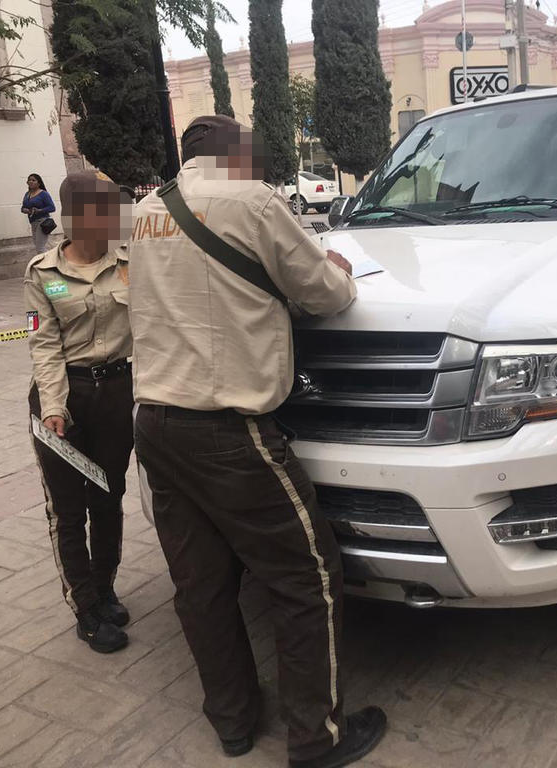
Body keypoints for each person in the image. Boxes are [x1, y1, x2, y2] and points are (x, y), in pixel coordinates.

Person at [129, 115, 387, 766]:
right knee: (308, 577)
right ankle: (318, 738)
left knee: (202, 583)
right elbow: (325, 293)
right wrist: (335, 270)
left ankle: (233, 721)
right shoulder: (254, 201)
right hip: (228, 432)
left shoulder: (148, 210)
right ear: (233, 154)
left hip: (156, 424)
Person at [25, 170, 135, 653]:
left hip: (116, 394)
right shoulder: (42, 273)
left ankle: (105, 586)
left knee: (109, 495)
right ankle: (85, 608)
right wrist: (53, 407)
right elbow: (43, 344)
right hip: (64, 400)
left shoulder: (130, 261)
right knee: (67, 510)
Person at [22, 173, 56, 254]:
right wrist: (24, 210)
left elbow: (52, 208)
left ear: (39, 183)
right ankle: (50, 259)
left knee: (40, 248)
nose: (31, 182)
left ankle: (50, 260)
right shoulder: (27, 194)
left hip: (42, 222)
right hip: (33, 223)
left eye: (33, 180)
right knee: (38, 246)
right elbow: (23, 207)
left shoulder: (43, 194)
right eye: (29, 180)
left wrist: (39, 210)